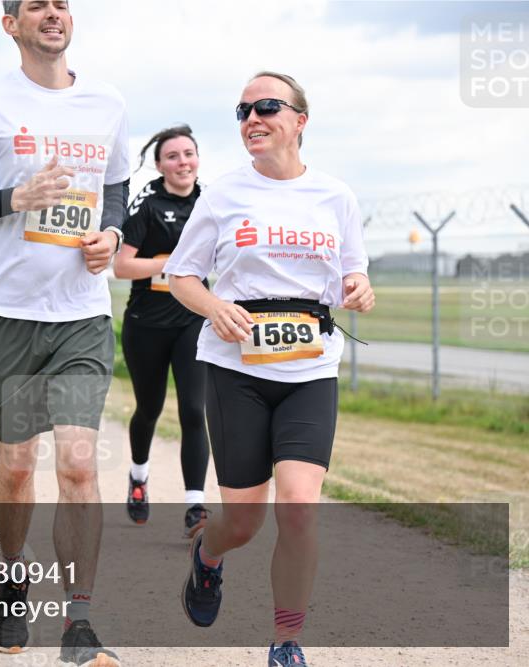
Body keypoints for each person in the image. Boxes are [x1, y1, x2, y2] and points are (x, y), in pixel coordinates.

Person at [0, 1, 129, 663]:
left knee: (77, 463)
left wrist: (112, 235)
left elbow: (116, 186)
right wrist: (11, 200)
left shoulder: (107, 104)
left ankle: (80, 621)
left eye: (62, 4)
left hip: (80, 315)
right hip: (7, 315)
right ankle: (13, 575)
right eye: (37, 4)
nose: (52, 13)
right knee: (16, 466)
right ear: (10, 23)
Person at [164, 71, 374, 667]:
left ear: (299, 120)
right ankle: (208, 556)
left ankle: (286, 643)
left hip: (311, 368)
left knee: (299, 506)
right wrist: (214, 307)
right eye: (243, 111)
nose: (252, 119)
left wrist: (360, 287)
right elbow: (181, 276)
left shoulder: (336, 196)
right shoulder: (223, 195)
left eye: (266, 107)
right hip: (236, 369)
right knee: (244, 521)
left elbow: (354, 270)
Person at [113, 124, 210, 537]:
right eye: (173, 156)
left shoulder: (211, 202)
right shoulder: (147, 203)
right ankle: (138, 477)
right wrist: (171, 265)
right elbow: (121, 266)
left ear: (198, 159)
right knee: (149, 408)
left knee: (193, 409)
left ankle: (195, 507)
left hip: (193, 321)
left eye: (189, 154)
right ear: (159, 165)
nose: (182, 162)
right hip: (147, 325)